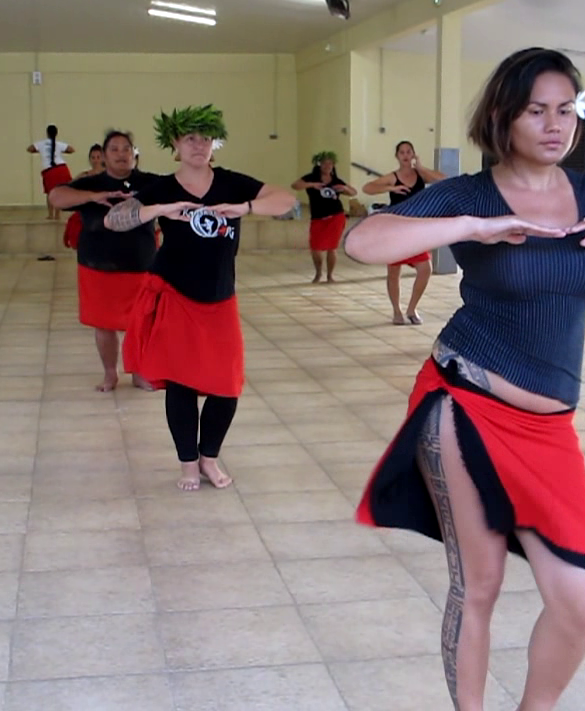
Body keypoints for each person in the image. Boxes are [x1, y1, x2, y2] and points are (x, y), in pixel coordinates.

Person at [345, 48, 585, 711]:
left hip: (550, 428)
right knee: (479, 584)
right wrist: (476, 227)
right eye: (536, 111)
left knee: (579, 600)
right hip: (465, 402)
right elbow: (363, 241)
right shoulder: (471, 193)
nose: (556, 126)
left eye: (566, 110)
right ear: (503, 117)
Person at [104, 104, 295, 491]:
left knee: (227, 384)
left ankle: (209, 457)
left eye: (205, 138)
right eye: (190, 138)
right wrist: (162, 209)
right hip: (175, 294)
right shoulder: (163, 187)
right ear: (174, 144)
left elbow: (287, 201)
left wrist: (246, 207)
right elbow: (114, 219)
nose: (198, 145)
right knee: (182, 384)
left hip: (220, 297)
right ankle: (188, 464)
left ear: (214, 144)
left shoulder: (232, 183)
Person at [50, 131, 161, 392]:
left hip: (141, 264)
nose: (121, 154)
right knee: (103, 324)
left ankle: (140, 372)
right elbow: (56, 197)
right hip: (97, 266)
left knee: (142, 323)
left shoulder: (150, 183)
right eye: (114, 149)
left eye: (126, 148)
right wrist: (92, 197)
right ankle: (110, 374)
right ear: (103, 155)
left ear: (134, 153)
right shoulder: (90, 182)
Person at [362, 141, 446, 324]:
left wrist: (421, 168)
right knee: (394, 271)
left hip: (415, 229)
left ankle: (412, 309)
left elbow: (443, 179)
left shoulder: (420, 175)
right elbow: (367, 188)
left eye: (409, 152)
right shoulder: (393, 177)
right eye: (402, 152)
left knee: (425, 269)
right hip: (395, 229)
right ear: (397, 156)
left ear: (413, 154)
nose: (406, 155)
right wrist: (391, 188)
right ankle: (396, 311)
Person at [292, 151, 357, 283]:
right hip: (318, 218)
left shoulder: (336, 180)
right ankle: (318, 273)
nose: (327, 166)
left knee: (332, 247)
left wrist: (344, 188)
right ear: (319, 164)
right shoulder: (311, 177)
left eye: (330, 164)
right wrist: (312, 185)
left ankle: (330, 276)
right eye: (325, 163)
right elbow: (295, 185)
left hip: (336, 216)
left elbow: (353, 192)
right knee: (315, 247)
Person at [27, 125, 75, 220]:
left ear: (47, 133)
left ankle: (50, 214)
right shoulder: (59, 144)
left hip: (49, 171)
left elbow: (29, 149)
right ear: (56, 134)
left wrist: (40, 151)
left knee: (50, 193)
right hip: (61, 168)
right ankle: (57, 215)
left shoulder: (41, 144)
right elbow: (71, 149)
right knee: (59, 193)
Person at [63, 144, 105, 249]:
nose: (96, 160)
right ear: (89, 159)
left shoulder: (110, 175)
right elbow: (68, 188)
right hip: (87, 214)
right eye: (93, 157)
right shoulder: (84, 176)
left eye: (98, 157)